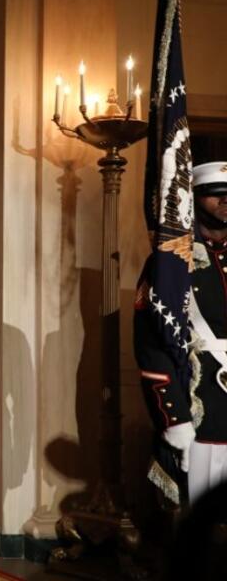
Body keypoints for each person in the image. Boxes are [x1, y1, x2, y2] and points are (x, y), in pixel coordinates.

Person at [135, 161, 227, 506]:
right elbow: (152, 344)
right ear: (195, 199)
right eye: (216, 195)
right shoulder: (170, 264)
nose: (225, 202)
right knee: (201, 515)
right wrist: (174, 417)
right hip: (199, 398)